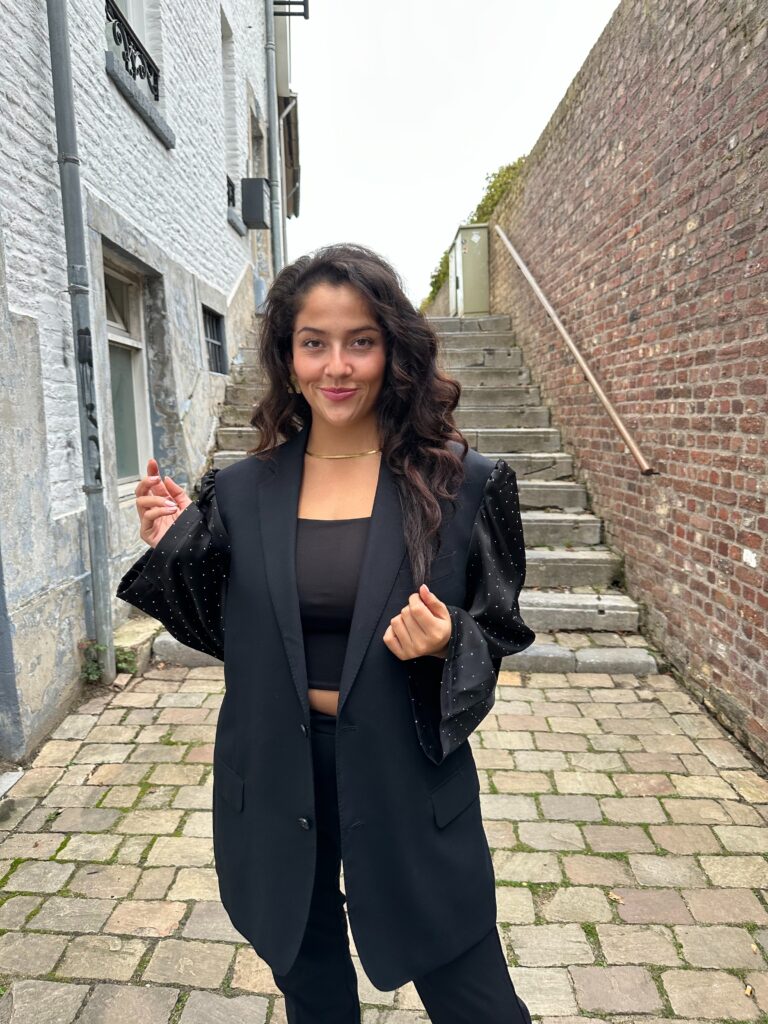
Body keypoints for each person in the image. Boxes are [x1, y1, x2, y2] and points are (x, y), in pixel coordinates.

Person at [117, 243, 536, 1023]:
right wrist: (177, 544)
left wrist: (448, 640)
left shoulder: (466, 483)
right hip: (275, 778)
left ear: (393, 350)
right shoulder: (240, 491)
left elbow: (501, 628)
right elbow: (230, 631)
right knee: (313, 998)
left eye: (360, 342)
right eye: (315, 342)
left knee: (477, 1001)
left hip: (408, 778)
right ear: (289, 354)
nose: (336, 367)